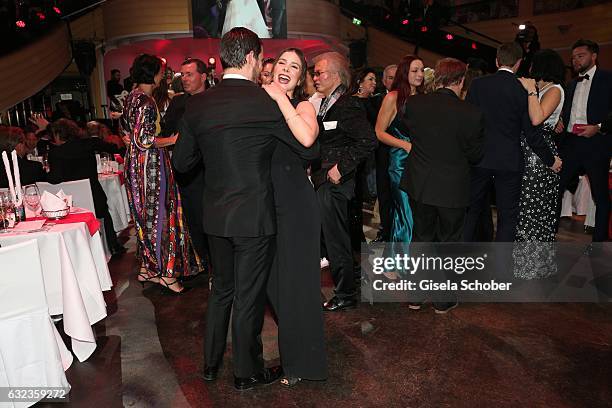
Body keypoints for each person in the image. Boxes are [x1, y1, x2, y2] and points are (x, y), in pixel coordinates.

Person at [173, 27, 317, 390]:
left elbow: (182, 162)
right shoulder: (264, 102)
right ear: (253, 57)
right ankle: (246, 372)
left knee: (221, 290)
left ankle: (209, 365)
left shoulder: (198, 104)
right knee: (249, 298)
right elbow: (307, 149)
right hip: (253, 216)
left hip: (215, 216)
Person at [261, 47, 327, 387]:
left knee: (298, 286)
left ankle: (302, 363)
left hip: (297, 207)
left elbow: (306, 138)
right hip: (264, 207)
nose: (286, 69)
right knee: (272, 285)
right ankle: (295, 351)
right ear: (270, 69)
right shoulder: (258, 105)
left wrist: (280, 98)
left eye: (295, 67)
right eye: (282, 63)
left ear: (300, 78)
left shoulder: (301, 106)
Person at [400, 58, 484, 313]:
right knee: (449, 241)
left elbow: (410, 131)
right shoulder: (472, 113)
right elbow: (476, 155)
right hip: (452, 188)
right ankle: (442, 299)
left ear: (436, 78)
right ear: (460, 81)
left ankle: (415, 295)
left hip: (420, 184)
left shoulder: (413, 104)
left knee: (421, 237)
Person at [463, 42, 561, 243]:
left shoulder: (478, 84)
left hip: (479, 158)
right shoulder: (523, 89)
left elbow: (469, 123)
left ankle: (458, 262)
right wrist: (550, 159)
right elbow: (532, 133)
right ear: (518, 63)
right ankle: (501, 269)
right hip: (509, 162)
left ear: (496, 60)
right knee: (507, 218)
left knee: (470, 212)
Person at [121, 54, 201, 294]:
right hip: (151, 167)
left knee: (145, 219)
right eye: (161, 72)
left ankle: (148, 268)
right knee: (161, 219)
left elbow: (129, 136)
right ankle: (166, 273)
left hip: (135, 166)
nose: (163, 76)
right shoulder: (145, 101)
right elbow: (144, 139)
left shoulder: (131, 98)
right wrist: (173, 139)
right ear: (153, 74)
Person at [311, 51, 377, 312]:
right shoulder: (329, 102)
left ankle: (345, 294)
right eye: (314, 73)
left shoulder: (347, 105)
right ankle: (352, 280)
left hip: (335, 183)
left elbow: (368, 141)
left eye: (320, 72)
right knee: (335, 238)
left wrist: (341, 168)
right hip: (326, 181)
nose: (315, 77)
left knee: (336, 240)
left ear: (336, 76)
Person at [514, 49, 565, 278]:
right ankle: (520, 262)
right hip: (527, 150)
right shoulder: (541, 89)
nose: (530, 67)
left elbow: (537, 118)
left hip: (539, 156)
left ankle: (532, 266)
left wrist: (531, 91)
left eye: (534, 63)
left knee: (535, 210)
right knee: (524, 209)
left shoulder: (554, 90)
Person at [557, 39, 612, 245]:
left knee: (600, 195)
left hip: (596, 144)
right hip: (571, 144)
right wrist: (561, 121)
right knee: (557, 188)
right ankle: (548, 236)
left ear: (594, 56)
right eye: (573, 57)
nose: (575, 60)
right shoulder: (571, 84)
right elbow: (569, 111)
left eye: (580, 56)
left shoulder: (608, 78)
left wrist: (599, 127)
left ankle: (599, 243)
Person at [46, 119, 125, 256]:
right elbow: (115, 148)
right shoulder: (88, 144)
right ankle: (113, 245)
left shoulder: (56, 153)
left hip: (69, 204)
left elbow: (55, 179)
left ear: (58, 135)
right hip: (94, 199)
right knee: (104, 211)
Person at [375, 55, 424, 270]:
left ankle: (392, 266)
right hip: (400, 163)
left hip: (420, 163)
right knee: (406, 212)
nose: (420, 75)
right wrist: (404, 145)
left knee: (403, 214)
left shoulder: (424, 98)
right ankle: (405, 268)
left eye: (422, 70)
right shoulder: (393, 98)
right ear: (405, 72)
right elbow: (378, 132)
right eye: (415, 71)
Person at [163, 58, 210, 267]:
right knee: (191, 221)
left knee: (208, 220)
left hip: (210, 171)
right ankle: (199, 262)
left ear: (204, 76)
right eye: (182, 75)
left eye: (189, 74)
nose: (185, 79)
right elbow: (167, 133)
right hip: (185, 173)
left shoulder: (214, 100)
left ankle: (213, 265)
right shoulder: (177, 103)